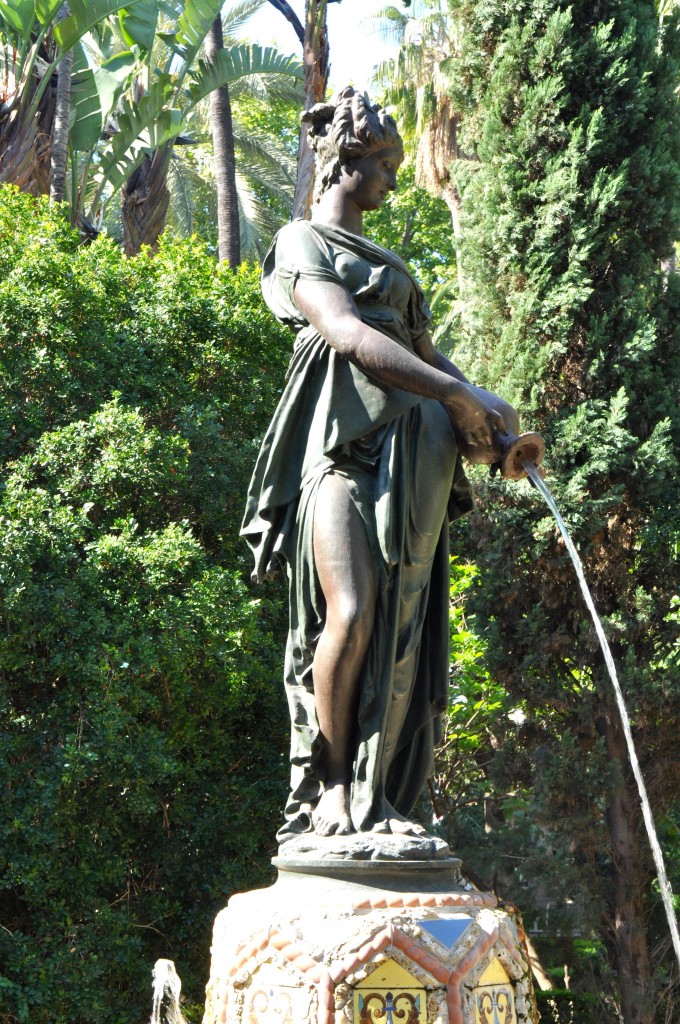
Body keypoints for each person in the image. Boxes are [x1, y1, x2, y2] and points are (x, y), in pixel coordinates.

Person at [242, 87, 514, 844]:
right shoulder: (304, 243)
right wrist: (455, 394)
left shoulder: (393, 266)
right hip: (339, 446)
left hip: (415, 454)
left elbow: (428, 356)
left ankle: (381, 796)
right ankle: (333, 788)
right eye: (387, 166)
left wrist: (492, 413)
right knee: (353, 610)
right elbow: (347, 334)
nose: (394, 181)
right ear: (346, 161)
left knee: (401, 626)